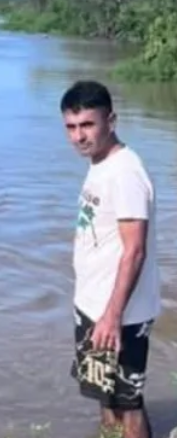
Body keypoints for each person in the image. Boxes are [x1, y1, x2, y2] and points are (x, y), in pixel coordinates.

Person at [61, 80, 161, 438]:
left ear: (111, 120)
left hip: (121, 314)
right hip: (94, 306)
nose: (78, 136)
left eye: (88, 124)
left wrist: (112, 317)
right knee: (105, 397)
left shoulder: (126, 172)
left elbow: (135, 250)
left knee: (128, 404)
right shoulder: (99, 163)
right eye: (71, 127)